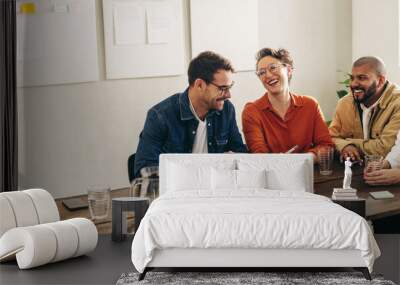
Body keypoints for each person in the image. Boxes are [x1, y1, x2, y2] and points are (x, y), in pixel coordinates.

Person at [134, 51, 247, 178]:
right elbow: (144, 169)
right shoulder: (160, 116)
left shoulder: (226, 109)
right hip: (177, 192)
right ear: (199, 85)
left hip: (216, 189)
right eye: (222, 89)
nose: (228, 95)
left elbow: (240, 154)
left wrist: (232, 160)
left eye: (229, 87)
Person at [242, 47, 333, 162]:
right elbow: (260, 157)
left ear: (289, 70)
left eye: (273, 68)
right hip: (271, 176)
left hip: (309, 174)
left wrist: (301, 160)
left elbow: (326, 146)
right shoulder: (252, 111)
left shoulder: (310, 105)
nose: (268, 75)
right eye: (262, 72)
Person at [329, 56, 400, 162]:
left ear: (380, 81)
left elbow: (385, 148)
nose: (353, 84)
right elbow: (330, 138)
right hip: (352, 171)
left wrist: (348, 143)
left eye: (362, 78)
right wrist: (345, 147)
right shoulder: (345, 103)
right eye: (352, 78)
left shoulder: (397, 103)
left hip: (386, 173)